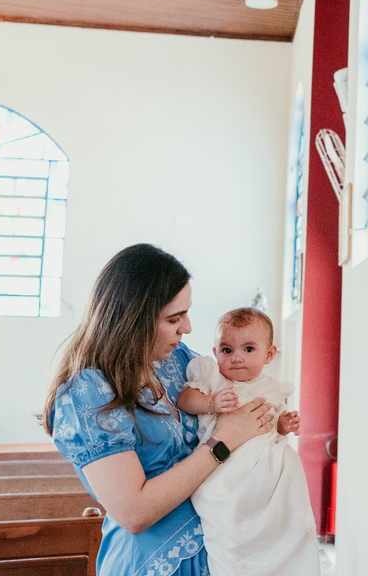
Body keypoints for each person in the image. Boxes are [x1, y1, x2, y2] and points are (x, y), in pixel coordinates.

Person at [43, 244, 274, 576]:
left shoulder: (178, 361)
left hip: (218, 547)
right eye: (174, 318)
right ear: (132, 320)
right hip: (153, 561)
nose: (187, 328)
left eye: (186, 313)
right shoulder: (86, 392)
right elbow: (134, 513)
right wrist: (221, 443)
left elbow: (243, 382)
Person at [175, 307, 319, 575]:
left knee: (288, 463)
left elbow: (271, 425)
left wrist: (282, 425)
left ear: (269, 354)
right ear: (216, 352)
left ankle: (283, 551)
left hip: (264, 468)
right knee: (234, 526)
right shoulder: (212, 377)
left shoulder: (272, 388)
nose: (237, 358)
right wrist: (210, 402)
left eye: (248, 349)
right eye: (227, 350)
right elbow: (184, 400)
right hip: (224, 467)